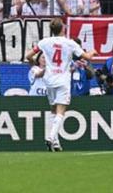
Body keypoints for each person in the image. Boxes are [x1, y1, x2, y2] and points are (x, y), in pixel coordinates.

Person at [25, 18, 97, 151]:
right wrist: (93, 52)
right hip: (62, 79)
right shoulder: (70, 43)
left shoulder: (44, 42)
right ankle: (51, 137)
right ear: (63, 29)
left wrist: (36, 63)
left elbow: (28, 55)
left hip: (49, 79)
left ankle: (56, 143)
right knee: (61, 111)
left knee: (53, 110)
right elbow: (87, 57)